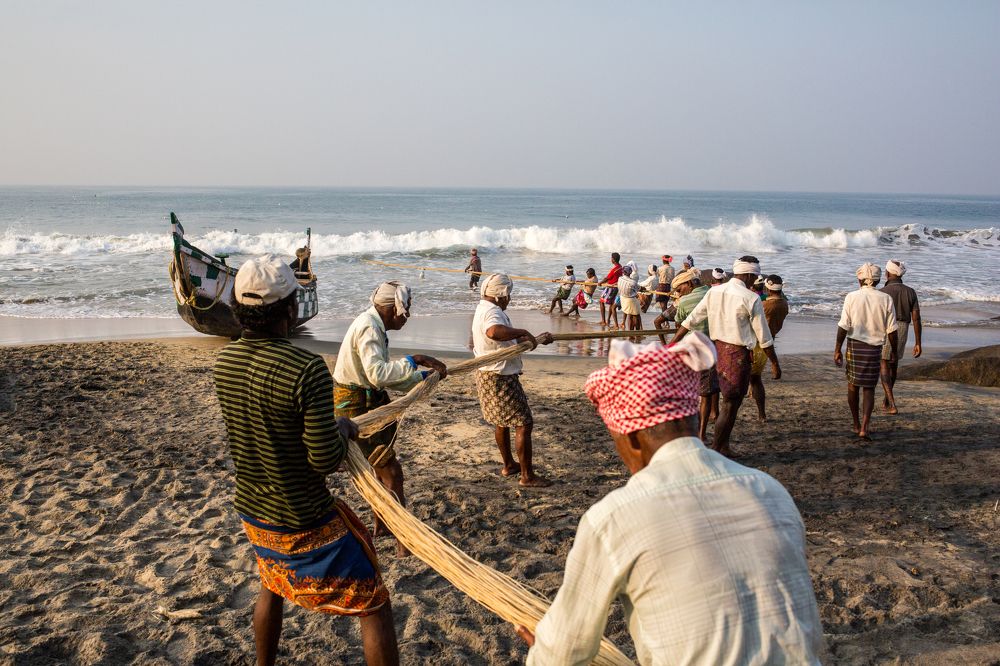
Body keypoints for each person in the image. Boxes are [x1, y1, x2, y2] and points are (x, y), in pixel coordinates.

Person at [516, 334, 823, 665]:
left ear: (632, 439)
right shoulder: (770, 490)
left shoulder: (615, 518)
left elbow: (564, 651)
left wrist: (541, 653)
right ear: (692, 419)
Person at [214, 256, 399, 666]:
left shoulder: (224, 363)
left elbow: (271, 425)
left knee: (272, 582)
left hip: (253, 511)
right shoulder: (305, 369)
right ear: (289, 309)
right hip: (301, 517)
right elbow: (324, 460)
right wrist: (343, 429)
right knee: (373, 601)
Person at [333, 281, 448, 558]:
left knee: (378, 466)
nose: (406, 316)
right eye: (404, 310)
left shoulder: (371, 323)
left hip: (362, 398)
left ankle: (382, 525)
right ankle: (403, 539)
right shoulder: (370, 327)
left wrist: (421, 378)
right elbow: (379, 375)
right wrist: (415, 359)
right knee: (391, 471)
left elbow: (381, 375)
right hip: (358, 404)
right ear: (390, 308)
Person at [672, 256, 780, 457]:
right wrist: (774, 363)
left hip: (716, 350)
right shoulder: (751, 298)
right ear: (748, 274)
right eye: (754, 276)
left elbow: (691, 319)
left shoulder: (714, 291)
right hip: (736, 355)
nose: (754, 280)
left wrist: (673, 342)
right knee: (730, 404)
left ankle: (721, 445)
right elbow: (764, 336)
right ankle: (719, 447)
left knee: (718, 398)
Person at [473, 273, 554, 487]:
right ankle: (527, 476)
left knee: (502, 421)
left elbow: (500, 336)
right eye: (508, 295)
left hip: (488, 374)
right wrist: (523, 331)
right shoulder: (492, 312)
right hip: (500, 377)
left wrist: (531, 338)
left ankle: (509, 465)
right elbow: (493, 332)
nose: (509, 299)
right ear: (501, 295)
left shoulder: (483, 308)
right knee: (524, 423)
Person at [835, 263, 898, 441]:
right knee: (869, 388)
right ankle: (864, 426)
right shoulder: (885, 299)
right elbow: (892, 330)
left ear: (859, 279)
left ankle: (855, 424)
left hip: (855, 345)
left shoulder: (851, 297)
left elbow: (843, 326)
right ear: (878, 280)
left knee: (852, 386)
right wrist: (893, 350)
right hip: (874, 348)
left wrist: (837, 349)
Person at [671, 269, 718, 441]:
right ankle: (709, 421)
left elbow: (680, 325)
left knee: (693, 391)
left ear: (689, 284)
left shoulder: (684, 301)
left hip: (693, 350)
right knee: (710, 390)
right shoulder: (714, 293)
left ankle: (697, 431)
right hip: (714, 346)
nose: (678, 293)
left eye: (679, 289)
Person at [880, 260, 922, 414]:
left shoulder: (883, 292)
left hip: (886, 327)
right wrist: (918, 342)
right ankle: (886, 399)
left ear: (888, 273)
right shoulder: (910, 292)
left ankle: (891, 403)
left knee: (883, 362)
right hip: (903, 327)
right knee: (894, 363)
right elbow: (916, 318)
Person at [748, 275, 789, 422]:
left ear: (767, 288)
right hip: (769, 341)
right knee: (755, 379)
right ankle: (762, 415)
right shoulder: (784, 304)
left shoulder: (763, 305)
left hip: (754, 343)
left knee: (746, 379)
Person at [598, 253, 623, 328]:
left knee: (601, 301)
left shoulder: (614, 269)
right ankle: (608, 319)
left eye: (611, 258)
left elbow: (607, 278)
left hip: (611, 287)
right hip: (615, 287)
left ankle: (604, 321)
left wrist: (600, 282)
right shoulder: (620, 267)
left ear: (613, 260)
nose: (611, 259)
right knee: (611, 304)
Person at [617, 262, 642, 332]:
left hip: (623, 299)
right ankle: (637, 332)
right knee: (637, 316)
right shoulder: (632, 282)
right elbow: (639, 288)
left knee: (630, 316)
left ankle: (631, 332)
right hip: (631, 301)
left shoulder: (620, 278)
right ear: (630, 272)